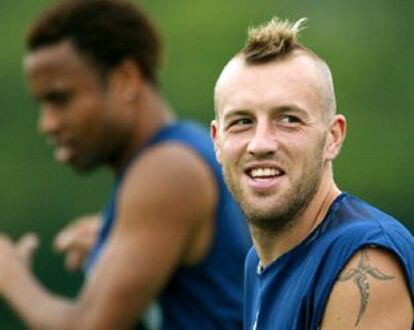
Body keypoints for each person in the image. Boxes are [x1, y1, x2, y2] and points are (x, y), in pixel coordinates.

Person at [0, 0, 250, 329]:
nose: (47, 124)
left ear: (126, 79)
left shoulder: (168, 170)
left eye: (60, 99)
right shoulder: (183, 151)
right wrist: (111, 244)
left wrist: (11, 276)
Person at [211, 17, 414, 329]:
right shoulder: (259, 261)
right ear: (217, 141)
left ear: (333, 137)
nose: (261, 143)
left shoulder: (363, 257)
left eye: (289, 119)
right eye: (241, 121)